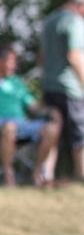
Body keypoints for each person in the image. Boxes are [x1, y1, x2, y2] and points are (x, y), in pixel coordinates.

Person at [41, 0, 84, 181]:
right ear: (83, 4)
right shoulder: (76, 22)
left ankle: (46, 176)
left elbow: (41, 57)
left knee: (51, 132)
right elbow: (74, 56)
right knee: (83, 135)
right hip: (72, 88)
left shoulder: (50, 20)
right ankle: (83, 178)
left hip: (49, 86)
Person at [0, 44, 61, 187]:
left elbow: (32, 105)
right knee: (9, 127)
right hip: (4, 126)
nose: (14, 65)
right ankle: (9, 175)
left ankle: (38, 174)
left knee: (51, 129)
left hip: (21, 125)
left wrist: (49, 112)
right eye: (11, 61)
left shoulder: (16, 83)